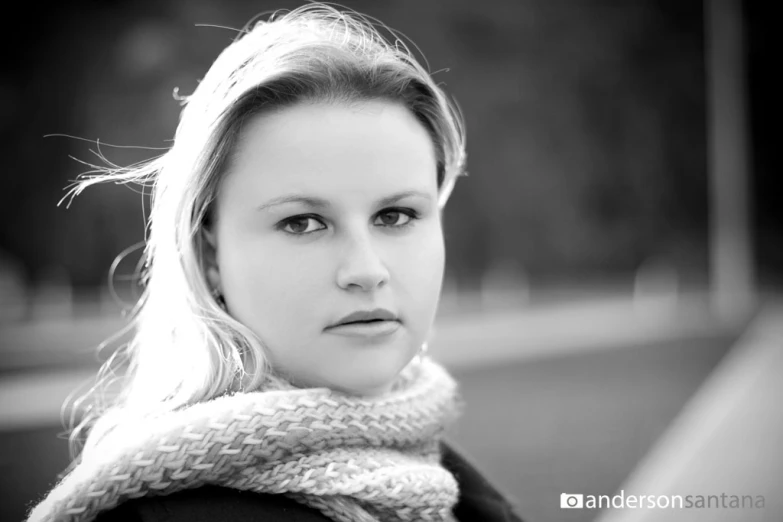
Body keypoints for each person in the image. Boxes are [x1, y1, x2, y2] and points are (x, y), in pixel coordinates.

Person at [26, 4, 525, 521]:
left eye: (396, 216)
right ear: (207, 254)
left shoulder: (449, 486)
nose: (367, 269)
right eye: (303, 223)